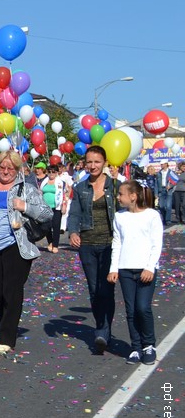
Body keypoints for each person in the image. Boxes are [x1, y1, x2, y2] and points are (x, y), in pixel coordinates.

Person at [0, 150, 53, 359]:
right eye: (2, 167)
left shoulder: (26, 188)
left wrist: (25, 206)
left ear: (17, 169)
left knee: (11, 291)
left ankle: (6, 338)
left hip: (16, 245)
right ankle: (7, 320)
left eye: (10, 168)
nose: (5, 171)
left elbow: (47, 213)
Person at [66, 146, 119, 355]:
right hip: (87, 244)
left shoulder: (115, 186)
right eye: (89, 162)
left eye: (97, 161)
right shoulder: (80, 188)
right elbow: (74, 214)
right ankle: (101, 326)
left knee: (106, 288)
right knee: (94, 289)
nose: (93, 166)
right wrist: (72, 232)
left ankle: (104, 330)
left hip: (110, 244)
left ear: (104, 162)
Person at [108, 180, 162, 364]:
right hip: (125, 269)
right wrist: (114, 268)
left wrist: (150, 266)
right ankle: (136, 347)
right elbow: (117, 242)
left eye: (121, 194)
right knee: (131, 310)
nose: (118, 197)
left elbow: (156, 243)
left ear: (133, 196)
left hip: (145, 269)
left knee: (143, 307)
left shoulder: (152, 216)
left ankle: (149, 345)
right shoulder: (120, 216)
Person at [40, 165, 67, 253]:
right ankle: (50, 242)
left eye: (53, 172)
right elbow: (40, 192)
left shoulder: (61, 182)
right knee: (46, 226)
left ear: (56, 173)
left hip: (56, 207)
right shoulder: (44, 182)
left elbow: (65, 195)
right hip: (45, 207)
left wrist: (64, 205)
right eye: (49, 172)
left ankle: (55, 245)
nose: (51, 174)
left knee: (56, 226)